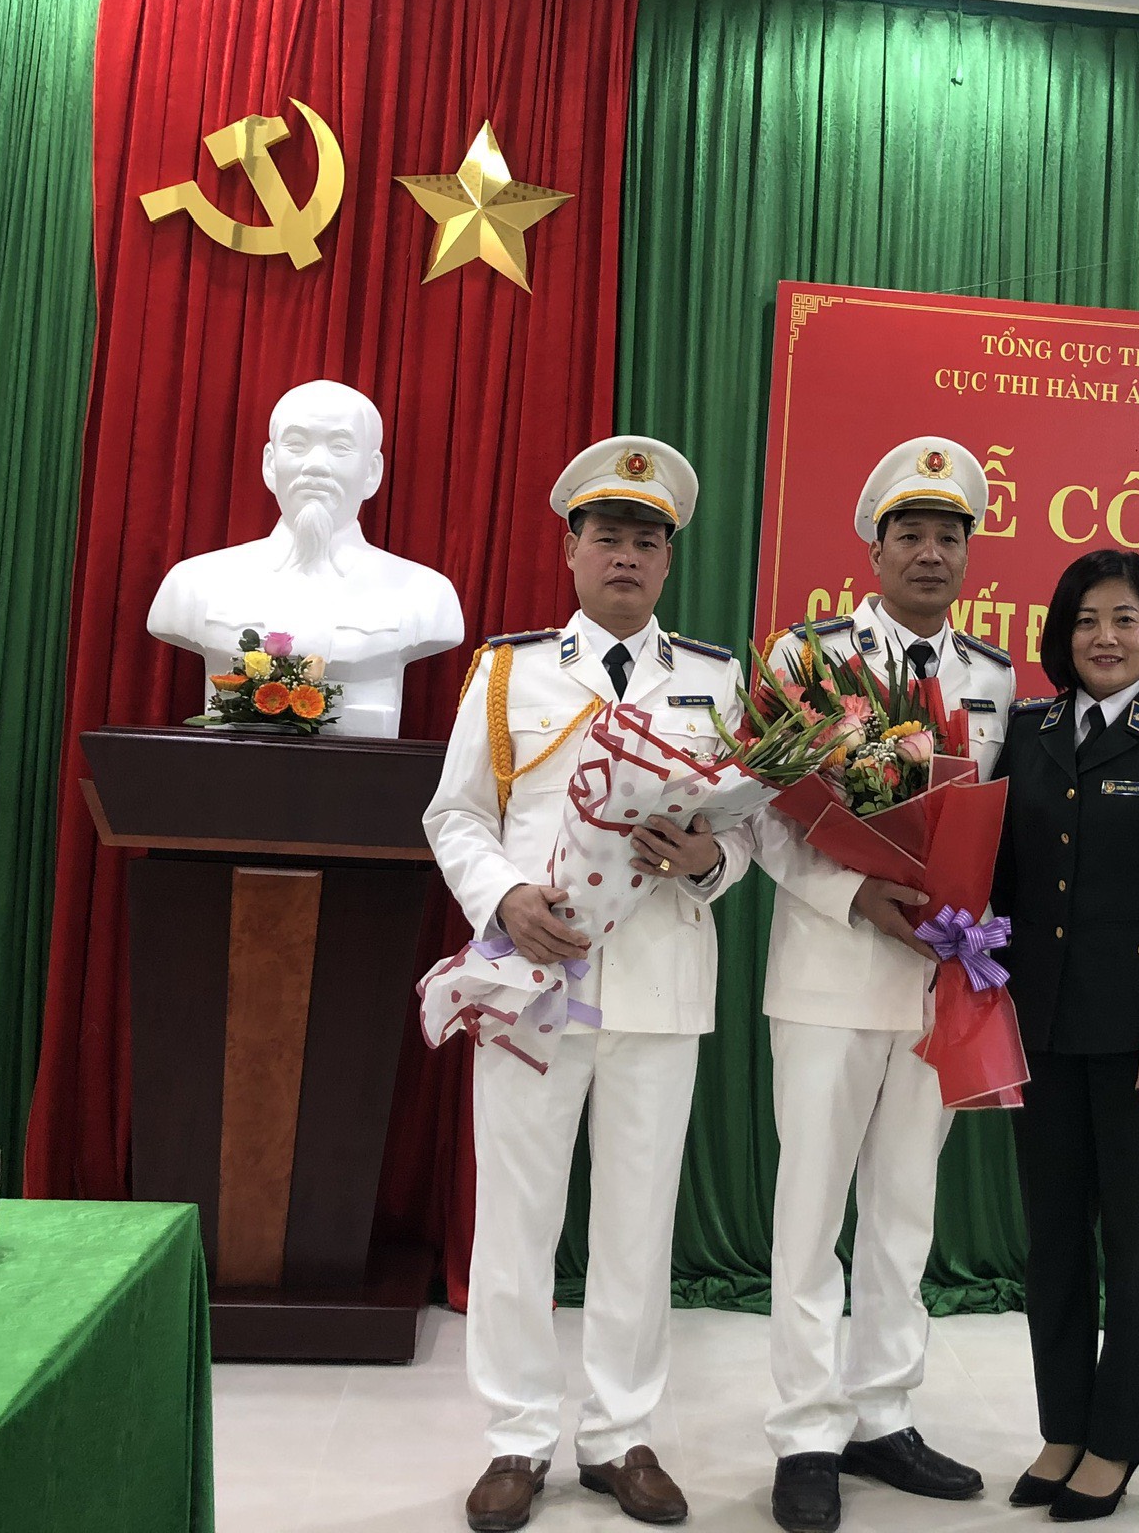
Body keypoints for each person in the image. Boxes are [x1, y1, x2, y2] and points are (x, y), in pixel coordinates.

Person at [427, 436, 760, 1532]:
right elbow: (457, 815)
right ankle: (517, 1436)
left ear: (668, 561)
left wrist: (707, 862)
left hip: (660, 981)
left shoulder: (715, 679)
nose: (626, 555)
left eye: (646, 541)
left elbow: (747, 832)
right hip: (532, 976)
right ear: (571, 550)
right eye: (607, 535)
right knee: (517, 1218)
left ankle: (621, 1434)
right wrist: (503, 897)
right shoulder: (508, 671)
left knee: (638, 1221)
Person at [759, 437, 1015, 1533]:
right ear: (874, 547)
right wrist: (852, 894)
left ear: (968, 553)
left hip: (935, 980)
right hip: (829, 972)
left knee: (907, 1208)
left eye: (949, 536)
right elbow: (765, 818)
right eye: (910, 533)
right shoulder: (806, 659)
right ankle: (805, 1432)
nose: (930, 552)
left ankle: (883, 1412)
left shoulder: (994, 678)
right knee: (811, 1209)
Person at [991, 549, 1139, 1521]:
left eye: (1125, 619)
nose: (1104, 637)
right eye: (1087, 619)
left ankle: (1119, 1440)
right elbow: (1002, 879)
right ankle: (1063, 1427)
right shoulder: (1028, 733)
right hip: (1041, 1028)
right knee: (1053, 1241)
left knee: (1137, 1248)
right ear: (1061, 634)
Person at [147, 378, 463, 737]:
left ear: (372, 472)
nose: (315, 465)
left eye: (340, 447)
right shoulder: (193, 584)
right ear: (270, 464)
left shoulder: (426, 594)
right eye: (296, 444)